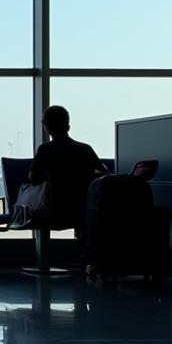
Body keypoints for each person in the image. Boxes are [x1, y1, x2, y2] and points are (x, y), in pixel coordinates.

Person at [29, 104, 107, 249]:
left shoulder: (45, 150)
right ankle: (85, 256)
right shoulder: (85, 149)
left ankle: (44, 261)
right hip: (83, 209)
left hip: (53, 210)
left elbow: (34, 179)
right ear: (68, 125)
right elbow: (104, 175)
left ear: (46, 127)